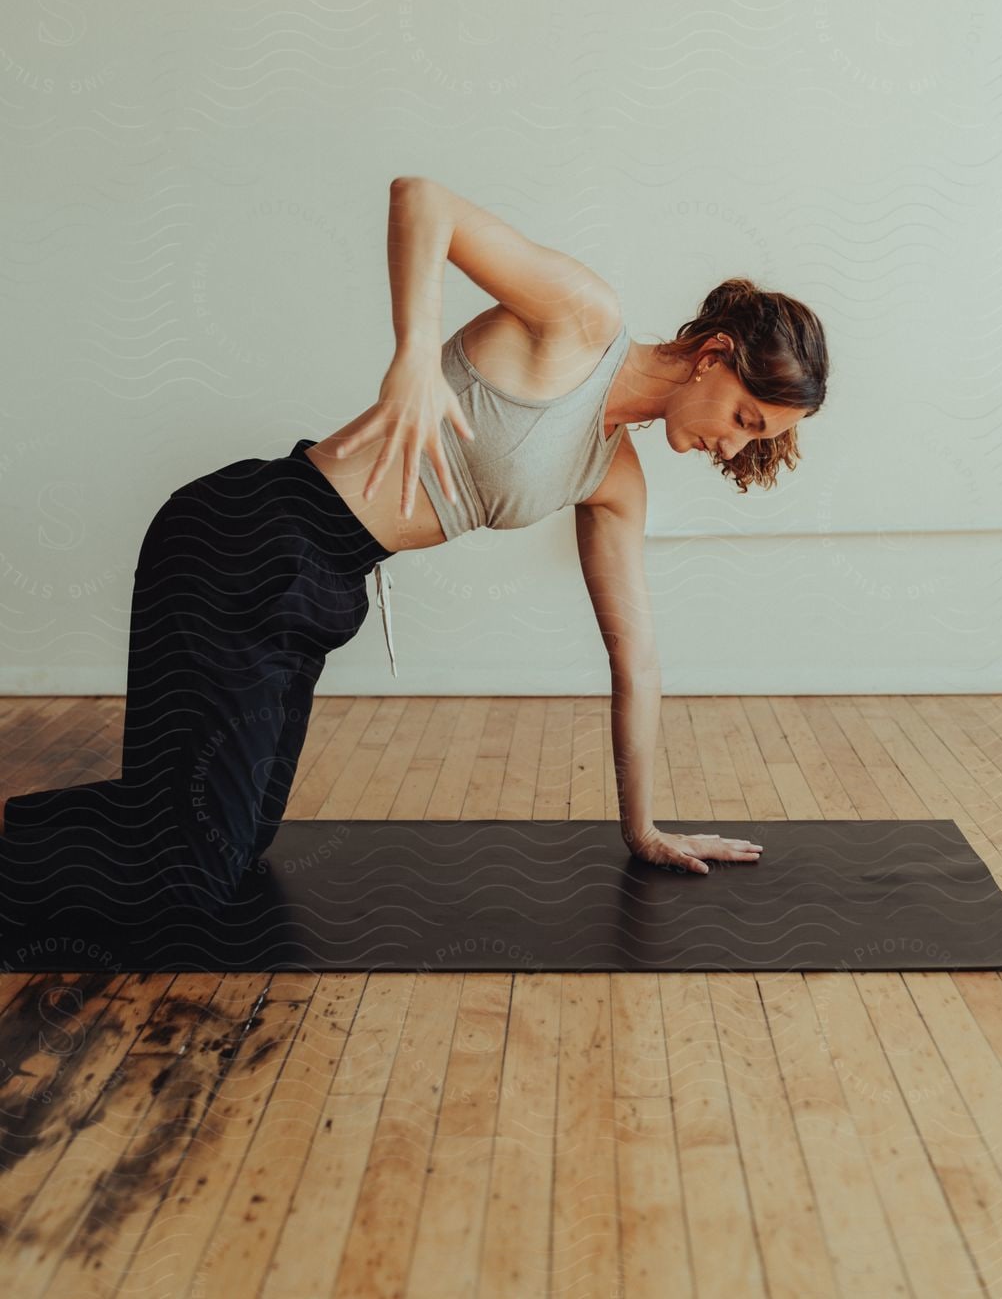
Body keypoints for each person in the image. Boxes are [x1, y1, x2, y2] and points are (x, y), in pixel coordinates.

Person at [0, 177, 829, 935]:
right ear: (715, 355)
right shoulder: (582, 322)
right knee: (188, 881)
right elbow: (422, 199)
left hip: (319, 589)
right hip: (248, 544)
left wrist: (641, 828)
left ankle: (26, 827)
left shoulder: (613, 476)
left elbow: (635, 659)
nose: (732, 447)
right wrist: (413, 355)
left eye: (757, 439)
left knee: (236, 839)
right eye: (747, 419)